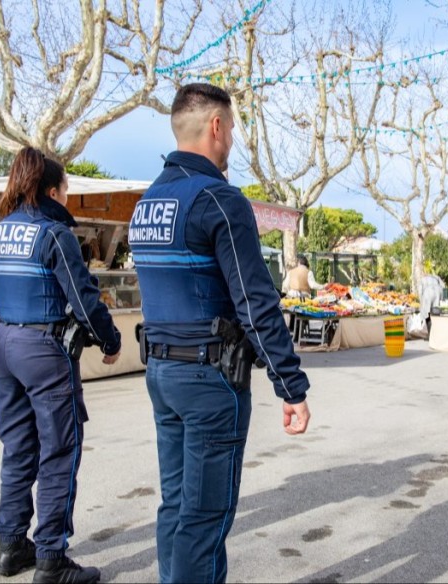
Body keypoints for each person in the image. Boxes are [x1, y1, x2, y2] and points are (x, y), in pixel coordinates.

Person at [128, 83, 311, 583]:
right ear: (215, 127)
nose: (230, 139)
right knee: (204, 519)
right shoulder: (219, 199)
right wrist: (290, 386)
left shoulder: (147, 203)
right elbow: (255, 302)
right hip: (209, 380)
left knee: (176, 506)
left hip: (162, 372)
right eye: (230, 128)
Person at [0, 147, 122, 584]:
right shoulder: (54, 235)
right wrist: (109, 341)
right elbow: (84, 299)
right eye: (66, 190)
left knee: (18, 448)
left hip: (4, 346)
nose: (67, 198)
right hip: (44, 351)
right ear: (52, 191)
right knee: (59, 451)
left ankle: (11, 546)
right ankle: (52, 558)